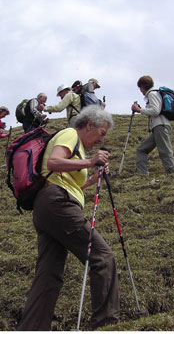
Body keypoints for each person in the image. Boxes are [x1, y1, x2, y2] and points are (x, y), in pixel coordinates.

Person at [17, 106, 120, 331]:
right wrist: (90, 161)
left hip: (49, 206)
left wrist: (92, 179)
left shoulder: (79, 149)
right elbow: (54, 162)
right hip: (58, 203)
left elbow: (71, 181)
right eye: (101, 133)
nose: (102, 139)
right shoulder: (70, 134)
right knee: (102, 256)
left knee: (48, 273)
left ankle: (31, 331)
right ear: (89, 125)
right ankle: (106, 324)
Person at [131, 75, 174, 176]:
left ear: (144, 85)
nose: (140, 90)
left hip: (160, 126)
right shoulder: (155, 94)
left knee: (165, 151)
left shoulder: (152, 94)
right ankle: (142, 175)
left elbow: (155, 111)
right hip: (159, 126)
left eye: (140, 87)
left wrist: (139, 110)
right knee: (141, 150)